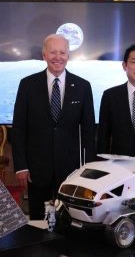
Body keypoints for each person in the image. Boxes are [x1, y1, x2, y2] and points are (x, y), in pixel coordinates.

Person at [12, 34, 95, 220]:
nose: (58, 57)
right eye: (53, 52)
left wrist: (88, 169)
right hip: (36, 170)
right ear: (44, 55)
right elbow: (19, 129)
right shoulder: (27, 85)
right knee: (38, 222)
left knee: (69, 220)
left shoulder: (83, 86)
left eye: (62, 52)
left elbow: (89, 132)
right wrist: (21, 167)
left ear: (68, 56)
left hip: (71, 172)